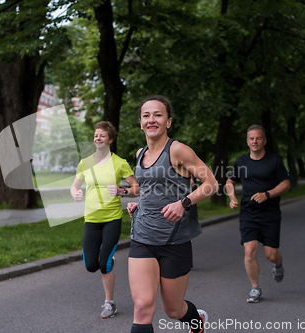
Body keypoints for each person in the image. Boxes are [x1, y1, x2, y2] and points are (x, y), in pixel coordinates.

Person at [126, 96, 218, 333]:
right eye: (146, 115)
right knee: (143, 307)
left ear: (168, 122)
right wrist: (139, 204)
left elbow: (211, 183)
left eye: (158, 114)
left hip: (173, 241)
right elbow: (149, 187)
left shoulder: (178, 150)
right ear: (140, 122)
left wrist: (184, 203)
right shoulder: (140, 153)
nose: (151, 120)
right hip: (142, 237)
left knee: (173, 310)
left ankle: (197, 321)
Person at [70, 121, 139, 319]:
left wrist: (121, 191)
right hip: (91, 219)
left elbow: (137, 188)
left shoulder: (120, 162)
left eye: (102, 135)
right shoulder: (85, 162)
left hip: (112, 218)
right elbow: (74, 185)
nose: (97, 138)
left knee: (105, 265)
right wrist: (75, 193)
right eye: (96, 135)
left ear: (110, 139)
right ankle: (107, 259)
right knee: (91, 265)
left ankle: (109, 303)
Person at [225, 124, 290, 303]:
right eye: (252, 138)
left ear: (264, 141)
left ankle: (278, 263)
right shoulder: (241, 162)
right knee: (249, 250)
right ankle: (255, 288)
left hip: (270, 214)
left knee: (270, 254)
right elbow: (229, 182)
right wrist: (232, 197)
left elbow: (286, 184)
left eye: (258, 138)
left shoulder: (275, 161)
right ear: (247, 142)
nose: (255, 141)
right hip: (248, 213)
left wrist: (267, 194)